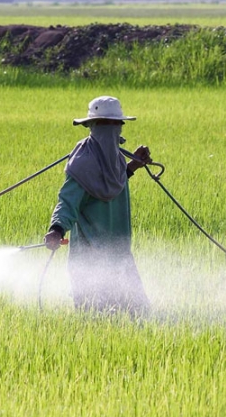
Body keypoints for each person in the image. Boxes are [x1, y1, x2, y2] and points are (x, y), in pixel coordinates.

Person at [44, 96, 153, 315]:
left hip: (119, 253)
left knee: (139, 315)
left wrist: (133, 166)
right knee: (96, 316)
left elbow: (110, 187)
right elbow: (68, 201)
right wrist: (56, 229)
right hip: (90, 257)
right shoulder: (83, 162)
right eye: (106, 124)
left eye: (116, 124)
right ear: (92, 126)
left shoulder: (116, 159)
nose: (112, 129)